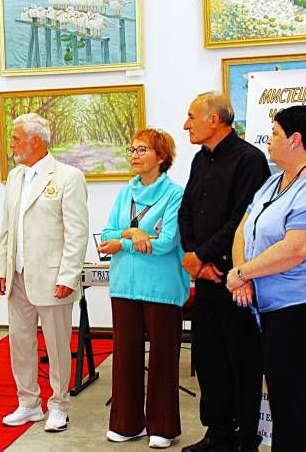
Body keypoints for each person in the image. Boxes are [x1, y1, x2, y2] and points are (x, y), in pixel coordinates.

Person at [227, 106, 306, 452]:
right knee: (292, 388)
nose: (268, 140)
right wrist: (243, 275)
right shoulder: (273, 181)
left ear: (295, 139)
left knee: (287, 386)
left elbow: (298, 247)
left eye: (274, 133)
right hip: (272, 299)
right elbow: (243, 230)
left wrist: (242, 273)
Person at [179, 92, 270, 452]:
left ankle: (245, 438)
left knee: (242, 360)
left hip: (237, 280)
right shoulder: (200, 159)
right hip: (207, 278)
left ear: (214, 119)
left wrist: (203, 256)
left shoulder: (250, 160)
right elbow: (186, 212)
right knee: (209, 357)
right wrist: (194, 258)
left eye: (191, 116)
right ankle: (217, 433)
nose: (186, 125)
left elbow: (243, 220)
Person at [0, 113, 88, 433]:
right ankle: (29, 403)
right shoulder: (15, 177)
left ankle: (59, 405)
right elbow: (7, 227)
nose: (11, 143)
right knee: (20, 343)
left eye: (16, 138)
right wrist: (1, 267)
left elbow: (77, 232)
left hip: (52, 278)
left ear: (36, 141)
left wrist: (68, 277)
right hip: (17, 276)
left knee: (58, 346)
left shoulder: (68, 177)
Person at [98, 129, 187, 449]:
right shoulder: (126, 193)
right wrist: (132, 233)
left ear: (161, 157)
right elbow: (106, 235)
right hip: (124, 286)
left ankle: (163, 427)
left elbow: (166, 242)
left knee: (164, 358)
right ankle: (127, 424)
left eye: (142, 149)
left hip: (162, 288)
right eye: (132, 149)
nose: (134, 155)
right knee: (125, 357)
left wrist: (123, 241)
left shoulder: (175, 194)